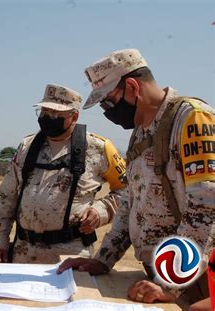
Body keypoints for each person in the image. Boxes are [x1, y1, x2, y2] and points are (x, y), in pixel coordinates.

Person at [58, 48, 214, 305]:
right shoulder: (141, 133)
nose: (108, 112)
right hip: (161, 276)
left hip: (196, 281)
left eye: (108, 102)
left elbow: (206, 210)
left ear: (132, 86)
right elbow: (131, 204)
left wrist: (171, 283)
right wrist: (102, 260)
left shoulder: (192, 119)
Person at [0, 84, 127, 264]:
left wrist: (102, 211)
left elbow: (128, 191)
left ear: (74, 116)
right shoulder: (27, 146)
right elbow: (5, 196)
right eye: (44, 112)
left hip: (71, 254)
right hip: (23, 252)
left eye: (56, 114)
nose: (48, 118)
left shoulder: (99, 148)